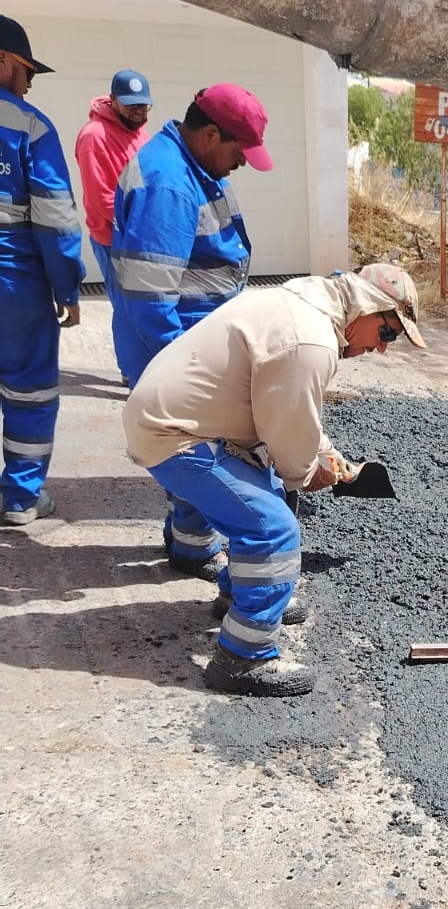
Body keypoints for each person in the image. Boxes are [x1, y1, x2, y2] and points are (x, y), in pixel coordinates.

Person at [122, 263, 426, 698]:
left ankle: (237, 594)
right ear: (368, 308)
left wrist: (326, 453)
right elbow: (287, 439)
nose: (382, 349)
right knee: (273, 529)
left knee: (263, 485)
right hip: (177, 436)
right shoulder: (311, 341)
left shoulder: (297, 305)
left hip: (176, 417)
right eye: (388, 334)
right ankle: (243, 659)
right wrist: (308, 473)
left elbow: (284, 406)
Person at [110, 82, 270, 578]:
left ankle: (190, 546)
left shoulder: (193, 166)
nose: (242, 162)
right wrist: (183, 369)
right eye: (238, 150)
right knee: (199, 453)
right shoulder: (168, 184)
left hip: (191, 342)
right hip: (173, 348)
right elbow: (149, 297)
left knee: (194, 449)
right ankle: (204, 551)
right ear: (209, 134)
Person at [0, 14, 86, 527]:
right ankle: (20, 498)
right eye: (28, 72)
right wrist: (66, 286)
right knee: (29, 388)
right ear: (4, 62)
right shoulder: (29, 126)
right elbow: (55, 219)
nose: (29, 85)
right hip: (15, 282)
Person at [73, 68, 154, 378]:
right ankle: (131, 373)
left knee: (143, 306)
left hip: (141, 235)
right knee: (126, 308)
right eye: (132, 104)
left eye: (144, 105)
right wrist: (140, 227)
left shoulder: (138, 131)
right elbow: (100, 198)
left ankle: (142, 367)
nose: (139, 111)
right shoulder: (95, 136)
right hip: (114, 238)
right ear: (113, 100)